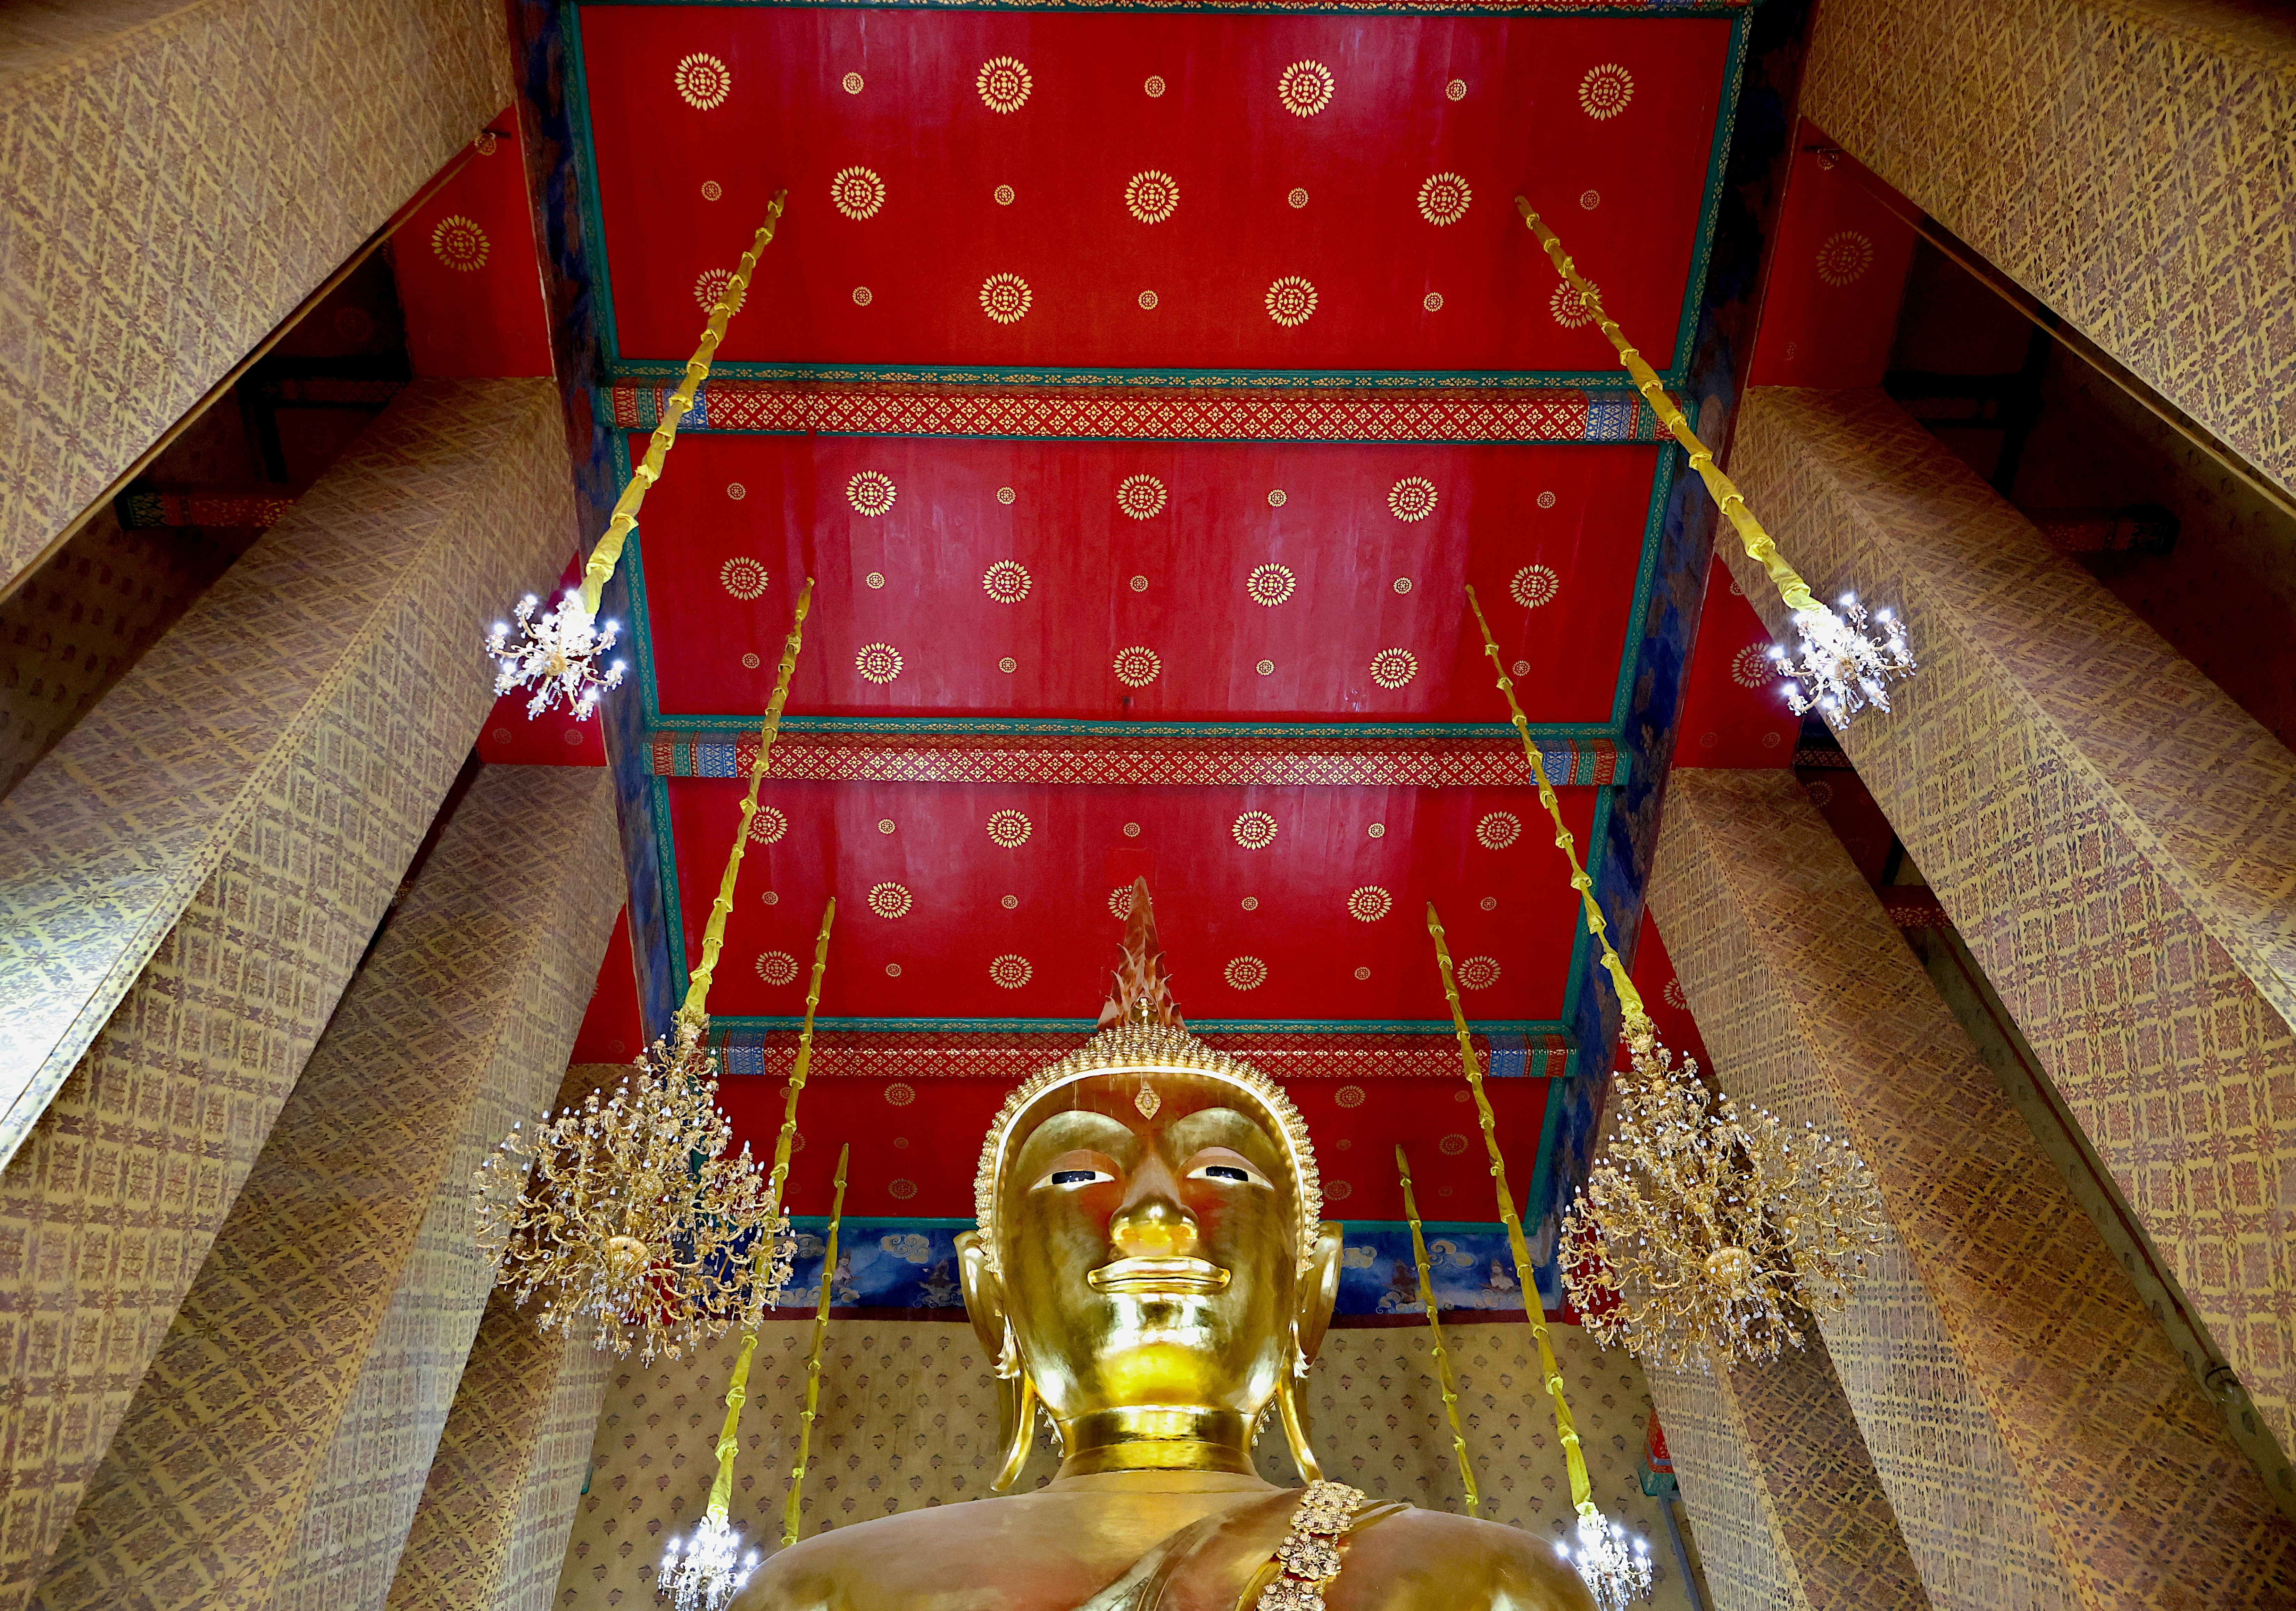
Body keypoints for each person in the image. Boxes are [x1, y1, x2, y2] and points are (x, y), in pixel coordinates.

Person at [738, 883, 1595, 1611]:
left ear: (1314, 1290)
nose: (1155, 1217)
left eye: (1223, 1170)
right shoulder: (823, 1590)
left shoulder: (1497, 1584)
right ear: (990, 1296)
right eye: (1076, 1177)